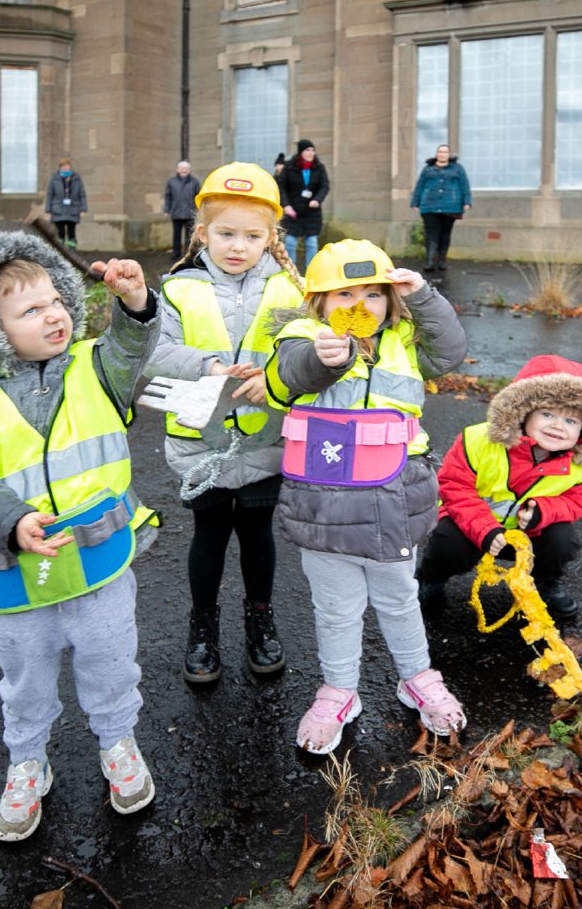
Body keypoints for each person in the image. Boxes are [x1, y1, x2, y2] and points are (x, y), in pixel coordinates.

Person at [0, 230, 160, 842]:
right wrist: (8, 522)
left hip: (101, 561)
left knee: (111, 663)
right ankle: (28, 759)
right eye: (30, 310)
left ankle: (118, 744)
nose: (53, 314)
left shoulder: (95, 367)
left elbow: (133, 345)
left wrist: (136, 303)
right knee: (26, 674)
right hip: (19, 576)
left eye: (56, 300)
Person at [264, 239, 468, 754]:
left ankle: (416, 676)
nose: (361, 306)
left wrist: (422, 295)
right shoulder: (302, 335)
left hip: (393, 502)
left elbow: (450, 351)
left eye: (374, 294)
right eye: (345, 294)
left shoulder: (403, 342)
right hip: (324, 508)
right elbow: (287, 375)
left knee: (400, 599)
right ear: (319, 301)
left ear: (391, 301)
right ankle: (338, 689)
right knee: (335, 608)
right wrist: (322, 358)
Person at [146, 162, 306, 683]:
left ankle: (260, 618)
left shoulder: (289, 291)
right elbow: (155, 353)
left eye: (252, 235)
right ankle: (203, 624)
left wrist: (275, 377)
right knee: (210, 534)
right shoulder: (177, 289)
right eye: (225, 233)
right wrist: (209, 367)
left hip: (264, 439)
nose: (237, 245)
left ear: (271, 237)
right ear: (202, 233)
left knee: (259, 534)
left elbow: (303, 354)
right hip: (202, 442)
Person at [416, 355, 582, 623]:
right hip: (472, 526)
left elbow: (579, 502)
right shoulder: (478, 440)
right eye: (547, 414)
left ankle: (545, 584)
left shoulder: (581, 463)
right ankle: (431, 578)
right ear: (523, 413)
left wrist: (544, 512)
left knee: (562, 540)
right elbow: (454, 487)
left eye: (571, 421)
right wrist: (486, 530)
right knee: (448, 539)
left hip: (528, 535)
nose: (558, 426)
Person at [409, 144, 472, 275]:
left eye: (445, 152)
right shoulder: (428, 169)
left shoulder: (457, 169)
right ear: (436, 154)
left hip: (451, 206)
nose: (442, 154)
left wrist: (467, 201)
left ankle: (442, 260)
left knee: (445, 235)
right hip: (429, 207)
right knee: (431, 234)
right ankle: (430, 261)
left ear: (449, 155)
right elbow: (420, 185)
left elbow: (464, 185)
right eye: (440, 152)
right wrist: (415, 202)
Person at [276, 139, 330, 269]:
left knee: (311, 243)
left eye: (312, 150)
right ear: (301, 152)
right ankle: (290, 270)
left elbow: (324, 186)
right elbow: (280, 187)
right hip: (293, 212)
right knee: (290, 243)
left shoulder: (319, 167)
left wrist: (317, 200)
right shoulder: (289, 167)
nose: (310, 153)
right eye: (307, 150)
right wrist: (286, 205)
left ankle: (312, 271)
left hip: (312, 213)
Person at [162, 160, 201, 260]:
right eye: (182, 168)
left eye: (186, 168)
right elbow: (168, 196)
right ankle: (176, 253)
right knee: (176, 235)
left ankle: (188, 254)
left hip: (190, 213)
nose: (184, 170)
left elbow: (198, 197)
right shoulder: (171, 181)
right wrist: (167, 210)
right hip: (176, 212)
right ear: (178, 169)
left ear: (189, 170)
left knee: (189, 236)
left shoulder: (195, 182)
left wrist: (199, 209)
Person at [47, 158, 88, 250]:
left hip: (72, 209)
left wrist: (83, 209)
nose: (66, 168)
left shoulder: (76, 178)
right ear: (60, 167)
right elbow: (50, 194)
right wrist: (48, 210)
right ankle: (60, 251)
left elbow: (82, 194)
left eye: (67, 166)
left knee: (71, 232)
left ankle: (72, 251)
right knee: (60, 232)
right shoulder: (54, 178)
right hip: (58, 209)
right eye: (63, 166)